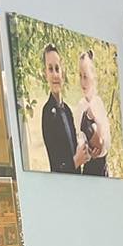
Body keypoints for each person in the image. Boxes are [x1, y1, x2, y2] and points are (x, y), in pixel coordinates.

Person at [39, 43, 79, 174]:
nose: (55, 74)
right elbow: (56, 166)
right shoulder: (47, 113)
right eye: (50, 69)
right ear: (45, 74)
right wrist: (76, 162)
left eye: (57, 68)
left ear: (63, 73)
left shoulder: (67, 110)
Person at [73, 49, 111, 175]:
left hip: (103, 170)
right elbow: (78, 137)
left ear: (93, 77)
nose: (82, 82)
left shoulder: (98, 103)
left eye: (85, 77)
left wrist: (100, 150)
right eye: (80, 76)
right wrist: (88, 151)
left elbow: (107, 140)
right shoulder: (80, 106)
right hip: (89, 170)